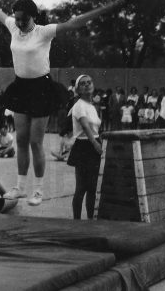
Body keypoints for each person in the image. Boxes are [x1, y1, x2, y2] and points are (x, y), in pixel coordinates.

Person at [0, 0, 127, 206]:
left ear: (33, 16)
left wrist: (106, 8)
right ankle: (20, 187)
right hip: (20, 87)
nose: (18, 22)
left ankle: (37, 190)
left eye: (23, 19)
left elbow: (74, 23)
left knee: (35, 142)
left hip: (41, 89)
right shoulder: (12, 26)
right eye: (17, 18)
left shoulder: (44, 32)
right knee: (20, 140)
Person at [67, 74, 102, 220]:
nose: (87, 85)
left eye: (89, 82)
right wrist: (96, 145)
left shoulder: (92, 106)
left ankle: (90, 220)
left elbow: (96, 130)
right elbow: (86, 127)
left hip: (94, 144)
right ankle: (76, 221)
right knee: (81, 188)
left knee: (92, 188)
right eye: (83, 84)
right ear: (78, 89)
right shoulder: (79, 106)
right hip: (83, 147)